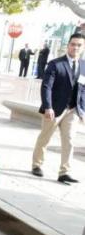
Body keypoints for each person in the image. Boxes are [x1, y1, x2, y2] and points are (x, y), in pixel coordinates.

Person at [31, 33, 85, 184]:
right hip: (54, 109)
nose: (75, 47)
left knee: (69, 140)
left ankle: (64, 172)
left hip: (73, 110)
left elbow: (83, 90)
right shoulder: (56, 64)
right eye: (73, 44)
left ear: (83, 47)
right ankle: (36, 165)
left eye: (79, 45)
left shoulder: (84, 66)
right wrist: (48, 106)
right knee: (45, 138)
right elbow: (46, 86)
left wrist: (83, 110)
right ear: (68, 45)